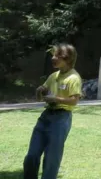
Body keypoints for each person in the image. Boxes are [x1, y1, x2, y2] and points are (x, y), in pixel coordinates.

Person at [23, 43, 82, 179]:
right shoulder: (53, 76)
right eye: (53, 55)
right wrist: (39, 92)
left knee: (51, 158)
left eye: (57, 56)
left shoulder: (73, 78)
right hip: (45, 117)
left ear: (67, 58)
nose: (53, 58)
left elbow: (74, 101)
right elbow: (40, 98)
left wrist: (56, 99)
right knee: (32, 155)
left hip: (61, 119)